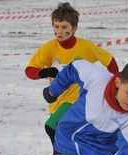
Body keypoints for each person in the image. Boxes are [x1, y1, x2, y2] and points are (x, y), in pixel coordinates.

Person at [25, 2, 119, 144]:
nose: (59, 31)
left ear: (74, 28)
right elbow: (30, 71)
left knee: (51, 128)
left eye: (64, 27)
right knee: (64, 139)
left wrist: (113, 86)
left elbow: (110, 62)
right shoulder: (49, 48)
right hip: (56, 101)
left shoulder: (86, 47)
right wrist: (45, 72)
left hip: (78, 101)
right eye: (56, 27)